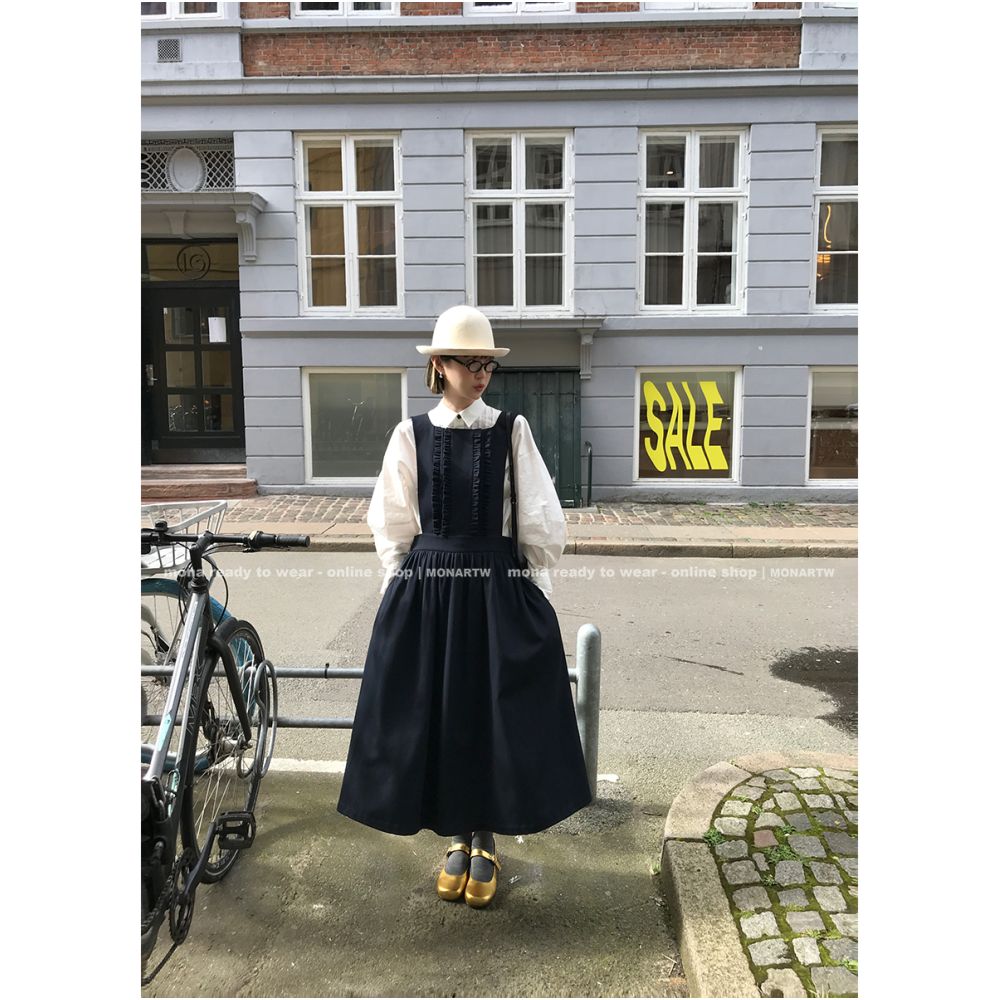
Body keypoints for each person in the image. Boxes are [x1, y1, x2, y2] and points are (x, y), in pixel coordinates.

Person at [336, 304, 592, 909]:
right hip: (429, 590)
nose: (479, 374)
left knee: (492, 713)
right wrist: (401, 590)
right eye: (468, 363)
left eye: (486, 364)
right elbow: (392, 520)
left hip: (496, 588)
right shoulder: (410, 434)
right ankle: (456, 835)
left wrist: (533, 591)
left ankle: (487, 838)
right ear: (440, 366)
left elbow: (539, 516)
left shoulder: (511, 430)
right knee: (441, 713)